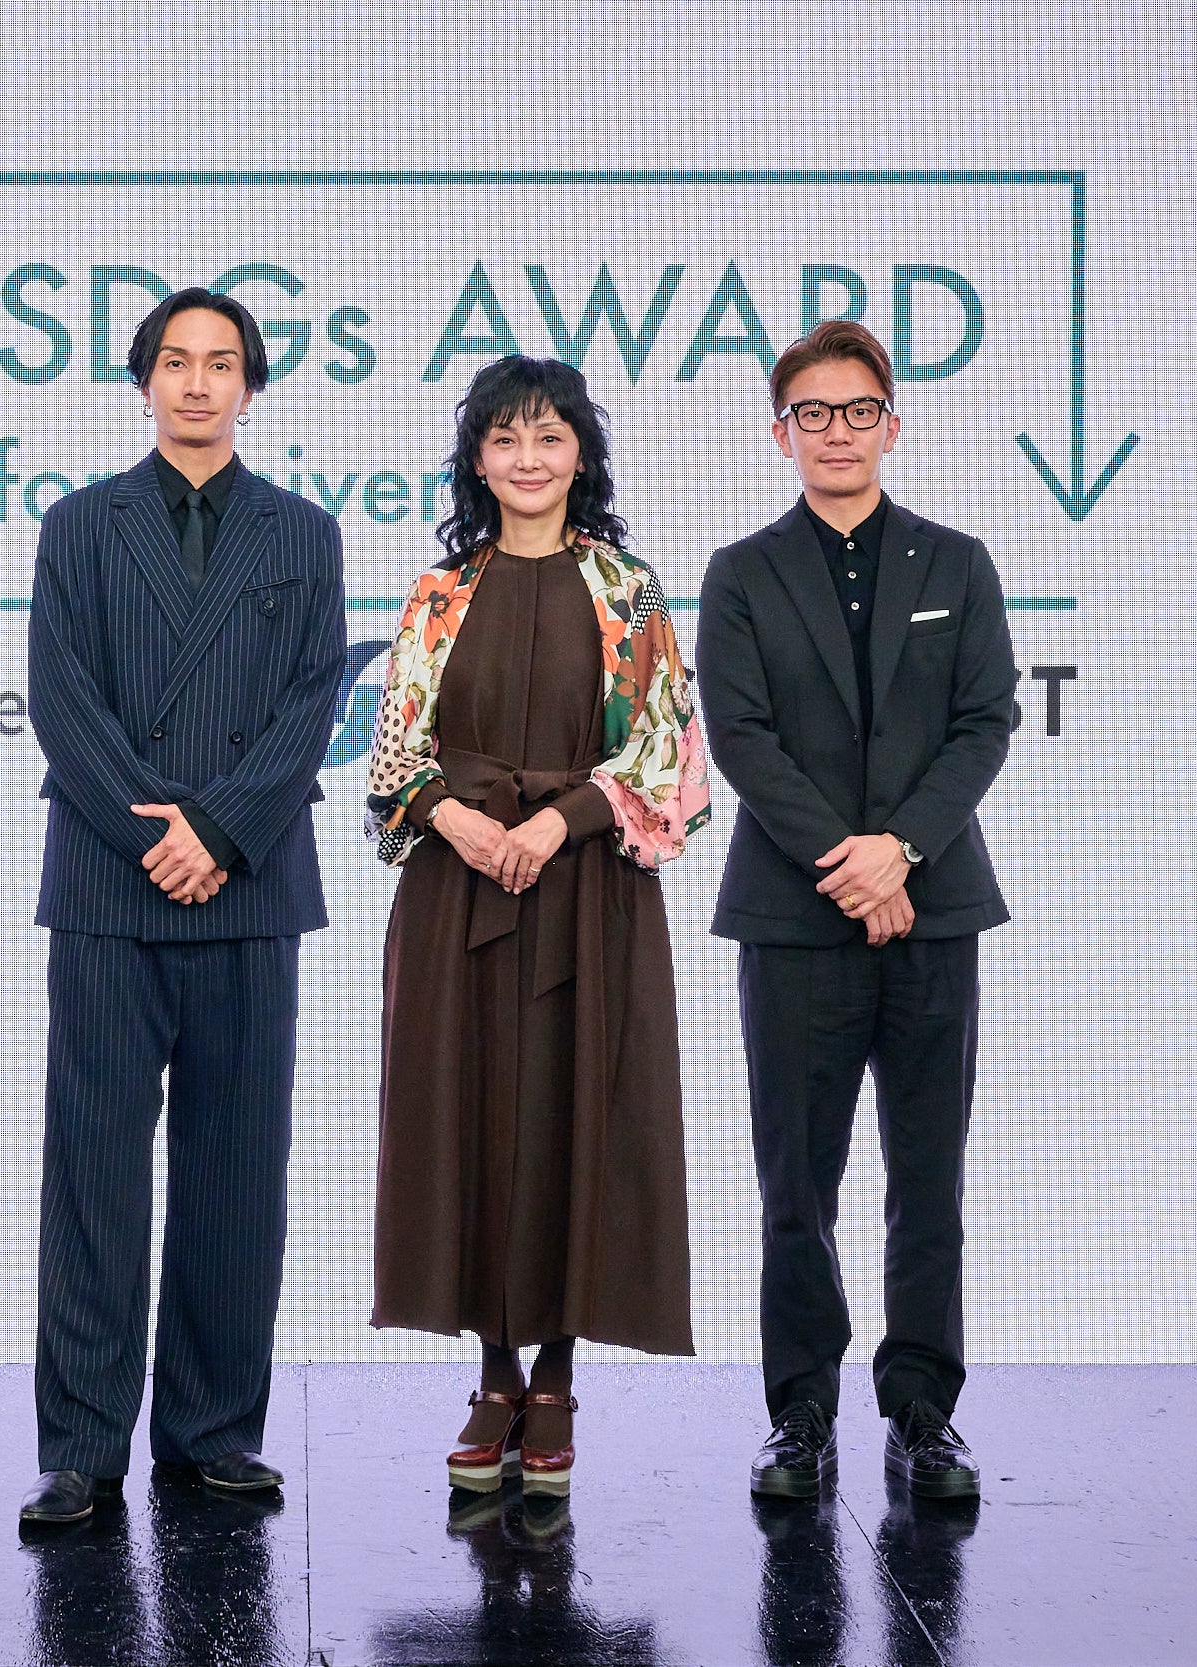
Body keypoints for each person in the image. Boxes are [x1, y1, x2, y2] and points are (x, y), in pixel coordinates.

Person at [20, 288, 347, 1525]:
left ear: (250, 387)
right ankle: (81, 1442)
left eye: (220, 363)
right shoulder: (78, 525)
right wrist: (158, 833)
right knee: (93, 1172)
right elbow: (62, 698)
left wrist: (218, 830)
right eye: (175, 361)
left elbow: (312, 701)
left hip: (248, 886)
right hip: (111, 885)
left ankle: (212, 1430)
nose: (197, 382)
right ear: (143, 381)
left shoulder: (303, 531)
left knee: (235, 1176)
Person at [364, 355, 710, 1497]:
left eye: (549, 437)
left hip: (588, 889)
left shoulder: (628, 589)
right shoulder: (438, 592)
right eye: (505, 438)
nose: (527, 458)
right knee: (465, 1121)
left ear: (580, 456)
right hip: (456, 890)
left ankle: (555, 1378)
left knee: (576, 1119)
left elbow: (669, 753)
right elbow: (393, 757)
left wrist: (557, 822)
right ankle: (493, 1372)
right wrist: (463, 824)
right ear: (476, 460)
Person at [696, 318, 1016, 1502]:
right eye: (813, 414)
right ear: (780, 433)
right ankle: (799, 1413)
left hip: (934, 913)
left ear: (893, 423)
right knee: (797, 1184)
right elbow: (741, 735)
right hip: (794, 916)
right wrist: (848, 861)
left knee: (928, 1179)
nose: (837, 432)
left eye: (859, 410)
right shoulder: (740, 572)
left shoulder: (957, 564)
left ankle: (924, 1413)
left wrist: (902, 851)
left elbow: (984, 721)